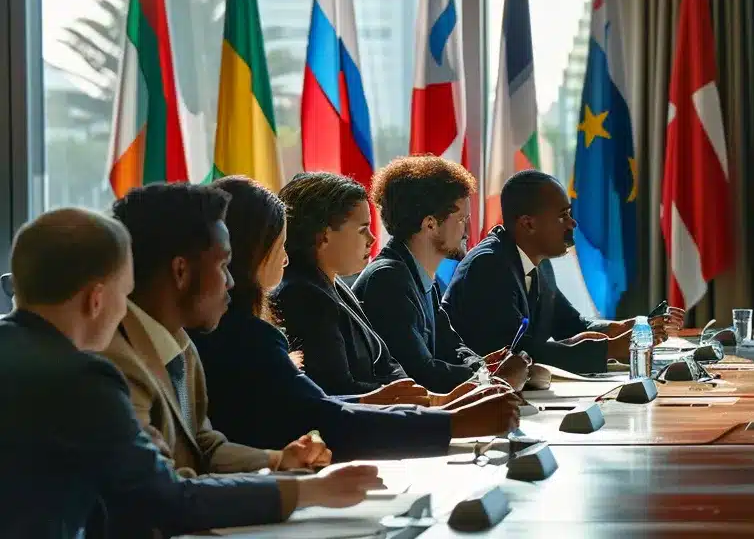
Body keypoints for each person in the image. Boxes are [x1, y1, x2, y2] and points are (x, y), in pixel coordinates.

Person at [0, 208, 381, 537]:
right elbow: (165, 499)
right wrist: (310, 492)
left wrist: (276, 463)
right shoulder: (83, 379)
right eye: (124, 295)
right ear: (96, 299)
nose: (124, 314)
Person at [195, 176, 518, 461]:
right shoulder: (272, 314)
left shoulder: (336, 287)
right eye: (279, 245)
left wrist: (433, 403)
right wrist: (451, 420)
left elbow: (380, 372)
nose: (286, 256)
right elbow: (320, 412)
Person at [100, 183, 328, 477]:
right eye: (222, 265)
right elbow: (160, 491)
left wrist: (277, 461)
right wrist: (298, 491)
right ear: (181, 271)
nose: (230, 282)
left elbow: (204, 447)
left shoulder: (180, 343)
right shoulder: (116, 363)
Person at [273, 172, 469, 404]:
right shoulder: (305, 296)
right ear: (324, 235)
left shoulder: (333, 285)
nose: (373, 238)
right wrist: (420, 400)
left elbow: (388, 364)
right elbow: (336, 389)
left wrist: (418, 396)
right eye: (362, 229)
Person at [445, 170, 663, 374]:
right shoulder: (488, 266)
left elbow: (570, 325)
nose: (572, 223)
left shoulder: (540, 263)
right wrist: (611, 349)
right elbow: (513, 353)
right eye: (563, 215)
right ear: (528, 224)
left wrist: (625, 328)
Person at [355, 156, 530, 393]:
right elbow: (420, 373)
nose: (468, 231)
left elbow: (452, 347)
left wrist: (485, 367)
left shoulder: (422, 276)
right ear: (430, 224)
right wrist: (491, 378)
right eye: (461, 220)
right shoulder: (388, 280)